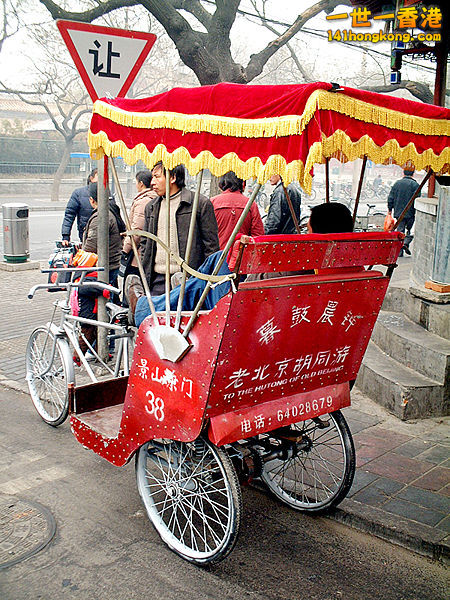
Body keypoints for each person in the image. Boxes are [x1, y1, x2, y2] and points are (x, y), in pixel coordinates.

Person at [126, 202, 354, 326]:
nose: (305, 232)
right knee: (216, 265)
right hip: (298, 320)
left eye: (308, 228)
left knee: (217, 269)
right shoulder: (357, 269)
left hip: (248, 316)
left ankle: (147, 307)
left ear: (316, 232)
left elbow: (264, 289)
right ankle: (187, 286)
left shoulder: (303, 261)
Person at [139, 161, 219, 295]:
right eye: (152, 177)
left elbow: (211, 248)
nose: (152, 182)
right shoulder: (151, 207)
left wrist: (204, 280)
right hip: (157, 280)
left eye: (157, 177)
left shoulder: (199, 204)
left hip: (188, 279)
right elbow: (145, 243)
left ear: (173, 177)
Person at [77, 182, 123, 355]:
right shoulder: (112, 211)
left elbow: (91, 246)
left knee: (98, 307)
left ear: (91, 200)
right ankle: (101, 345)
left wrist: (78, 258)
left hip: (101, 269)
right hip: (110, 266)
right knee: (105, 305)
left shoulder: (101, 217)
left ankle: (101, 346)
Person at [121, 170, 157, 282]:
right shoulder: (154, 198)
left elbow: (137, 229)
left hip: (138, 253)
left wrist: (126, 248)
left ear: (141, 183)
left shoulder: (143, 201)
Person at [211, 172, 264, 248]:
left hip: (217, 255)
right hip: (241, 255)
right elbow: (258, 236)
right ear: (242, 183)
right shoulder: (250, 204)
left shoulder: (213, 202)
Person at [61, 168, 98, 245]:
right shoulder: (79, 193)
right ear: (91, 178)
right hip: (86, 234)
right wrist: (65, 236)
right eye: (99, 178)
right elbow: (69, 215)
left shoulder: (108, 193)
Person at [388, 168, 419, 256]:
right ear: (413, 174)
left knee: (400, 231)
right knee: (410, 230)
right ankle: (406, 243)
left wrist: (390, 209)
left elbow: (391, 197)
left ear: (403, 173)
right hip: (410, 213)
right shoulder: (415, 185)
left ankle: (399, 251)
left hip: (399, 213)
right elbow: (417, 199)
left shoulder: (397, 184)